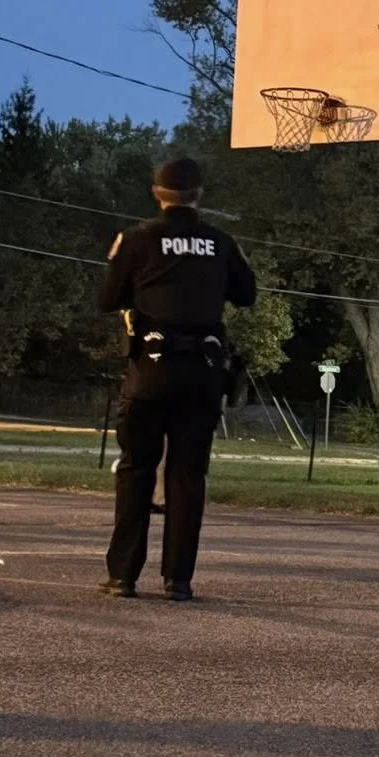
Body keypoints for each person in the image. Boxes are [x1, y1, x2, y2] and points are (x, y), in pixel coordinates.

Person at [98, 155, 256, 600]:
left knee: (136, 470)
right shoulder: (220, 242)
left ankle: (123, 575)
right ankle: (178, 579)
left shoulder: (136, 239)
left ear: (156, 194)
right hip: (202, 375)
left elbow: (108, 298)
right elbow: (247, 294)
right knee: (188, 476)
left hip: (150, 370)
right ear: (199, 196)